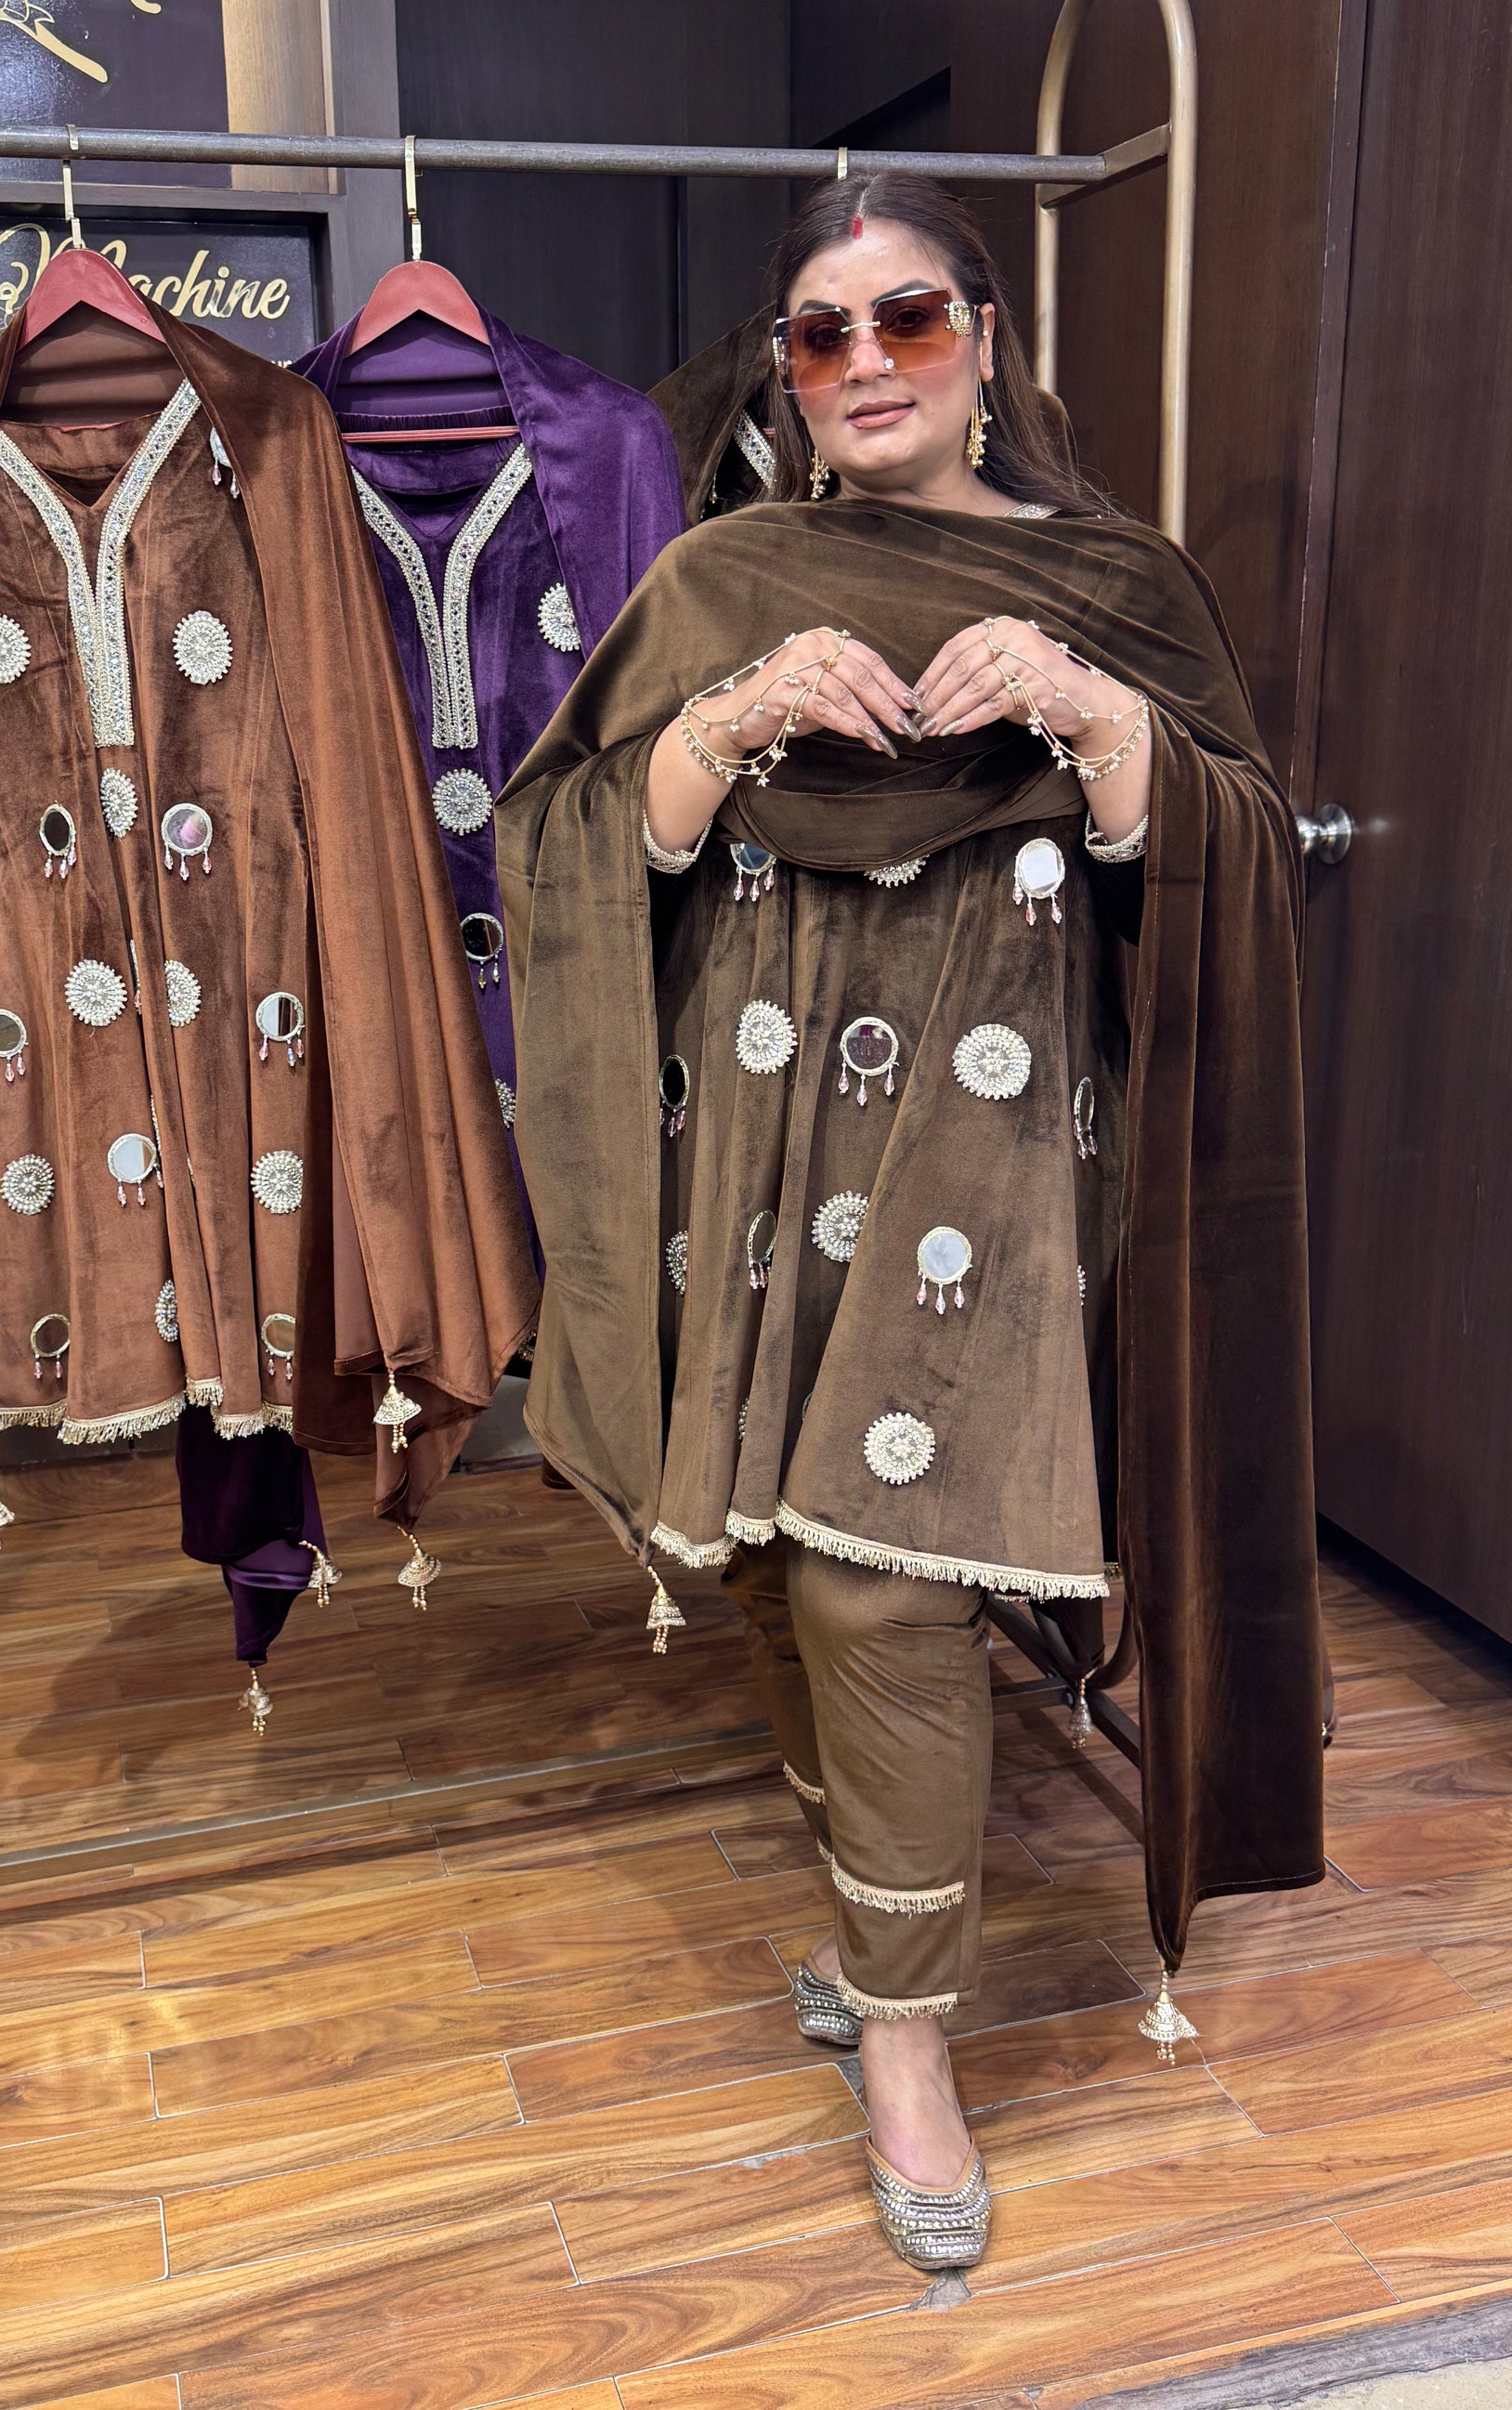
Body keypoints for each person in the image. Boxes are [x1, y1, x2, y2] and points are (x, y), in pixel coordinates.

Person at [496, 174, 1323, 2273]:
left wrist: (1097, 715)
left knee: (885, 1590)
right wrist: (725, 722)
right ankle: (879, 1925)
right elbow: (575, 838)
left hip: (993, 1155)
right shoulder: (720, 577)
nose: (865, 362)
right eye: (820, 332)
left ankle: (905, 2041)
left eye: (908, 319)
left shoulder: (1113, 585)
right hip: (757, 1158)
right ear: (785, 371)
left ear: (985, 338)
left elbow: (1230, 847)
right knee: (775, 1562)